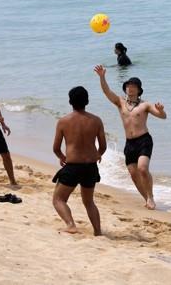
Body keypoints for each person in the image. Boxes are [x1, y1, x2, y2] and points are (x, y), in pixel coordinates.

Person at [94, 65, 166, 210]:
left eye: (133, 86)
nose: (130, 88)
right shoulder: (120, 103)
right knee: (133, 174)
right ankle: (146, 198)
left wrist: (161, 111)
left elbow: (162, 117)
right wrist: (102, 77)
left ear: (139, 90)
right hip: (130, 143)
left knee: (143, 169)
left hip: (144, 140)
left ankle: (151, 196)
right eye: (128, 85)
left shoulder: (145, 105)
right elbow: (107, 92)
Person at [52, 86, 106, 235]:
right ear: (87, 101)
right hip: (90, 167)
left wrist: (62, 158)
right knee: (89, 202)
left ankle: (70, 224)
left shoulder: (63, 121)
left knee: (58, 199)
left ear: (70, 101)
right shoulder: (96, 121)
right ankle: (98, 231)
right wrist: (98, 154)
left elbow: (56, 148)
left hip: (73, 167)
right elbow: (103, 146)